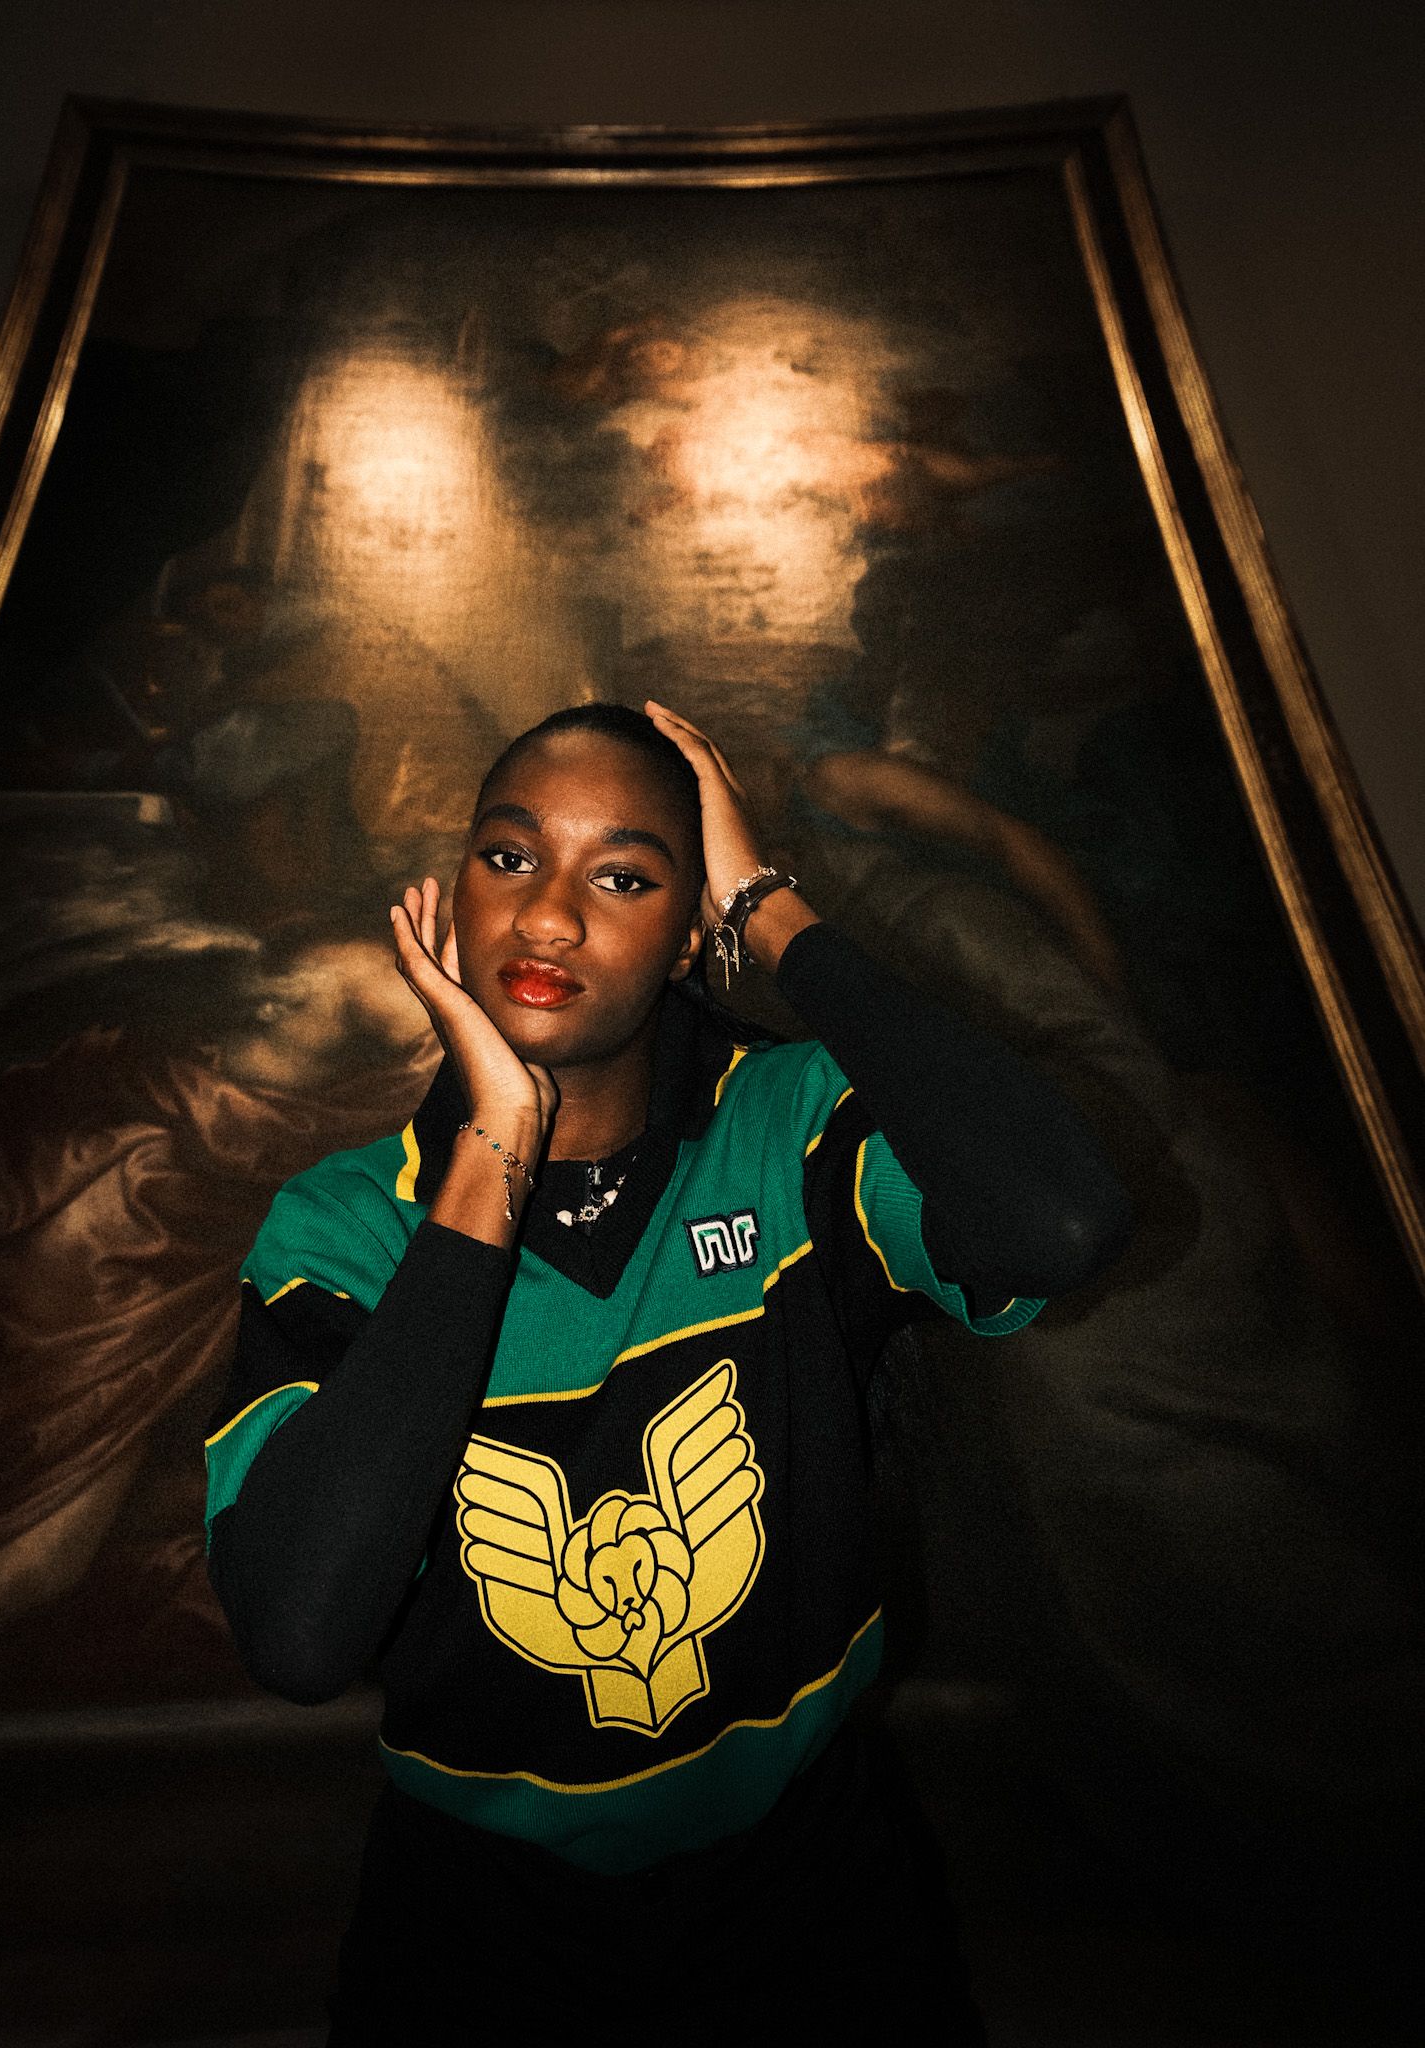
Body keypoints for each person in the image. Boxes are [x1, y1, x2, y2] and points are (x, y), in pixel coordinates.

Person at [202, 701, 1130, 2040]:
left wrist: (770, 913)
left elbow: (1062, 1223)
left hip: (817, 1902)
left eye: (625, 877)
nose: (548, 915)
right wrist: (493, 1152)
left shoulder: (789, 1132)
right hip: (476, 1931)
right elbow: (299, 1635)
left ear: (693, 931)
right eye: (510, 858)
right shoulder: (341, 1229)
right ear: (447, 896)